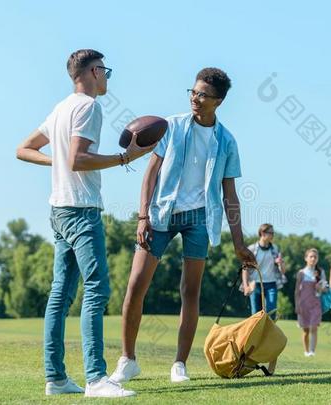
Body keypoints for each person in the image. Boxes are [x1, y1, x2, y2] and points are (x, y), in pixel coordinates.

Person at [16, 49, 153, 398]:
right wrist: (125, 158)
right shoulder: (89, 107)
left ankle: (56, 379)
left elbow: (24, 149)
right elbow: (78, 160)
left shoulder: (61, 108)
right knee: (97, 290)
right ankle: (95, 378)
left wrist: (57, 164)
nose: (106, 77)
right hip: (80, 210)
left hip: (59, 209)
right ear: (93, 71)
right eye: (105, 70)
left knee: (59, 295)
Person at [109, 67, 257, 384]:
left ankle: (179, 364)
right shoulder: (172, 126)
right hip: (160, 214)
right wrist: (143, 216)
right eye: (192, 92)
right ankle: (127, 359)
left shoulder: (227, 141)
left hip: (200, 220)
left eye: (202, 94)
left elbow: (230, 196)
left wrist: (239, 243)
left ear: (217, 101)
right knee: (135, 286)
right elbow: (150, 172)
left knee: (190, 292)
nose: (195, 98)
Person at [241, 224, 286, 318]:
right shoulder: (252, 249)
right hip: (255, 284)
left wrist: (280, 263)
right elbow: (245, 269)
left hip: (271, 284)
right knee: (255, 314)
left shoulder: (275, 249)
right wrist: (246, 286)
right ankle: (256, 332)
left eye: (273, 233)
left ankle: (268, 332)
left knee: (271, 312)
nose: (273, 235)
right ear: (262, 233)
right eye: (271, 233)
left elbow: (283, 271)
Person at [295, 248, 327, 357]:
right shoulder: (301, 273)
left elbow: (325, 289)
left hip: (315, 304)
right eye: (311, 256)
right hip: (303, 305)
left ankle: (312, 352)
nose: (313, 259)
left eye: (315, 257)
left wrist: (320, 287)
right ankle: (306, 351)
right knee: (306, 330)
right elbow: (297, 291)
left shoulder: (321, 272)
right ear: (306, 258)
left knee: (314, 327)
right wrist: (297, 305)